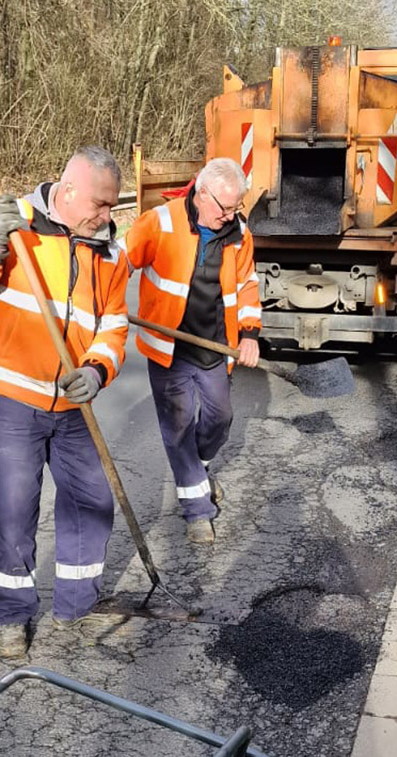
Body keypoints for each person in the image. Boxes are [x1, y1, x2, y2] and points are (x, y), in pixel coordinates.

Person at [0, 146, 131, 659]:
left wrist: (97, 370)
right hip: (11, 398)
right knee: (12, 512)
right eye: (99, 203)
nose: (106, 215)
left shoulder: (110, 252)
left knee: (93, 501)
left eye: (112, 206)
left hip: (73, 405)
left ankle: (76, 604)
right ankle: (13, 618)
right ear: (67, 191)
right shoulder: (12, 222)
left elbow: (113, 326)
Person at [124, 158, 261, 545]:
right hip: (168, 349)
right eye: (225, 207)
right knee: (179, 429)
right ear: (201, 192)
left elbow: (248, 284)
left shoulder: (239, 233)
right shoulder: (159, 223)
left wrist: (249, 334)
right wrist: (97, 303)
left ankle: (197, 472)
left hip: (213, 346)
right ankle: (198, 512)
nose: (230, 215)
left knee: (220, 418)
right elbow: (117, 264)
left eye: (236, 208)